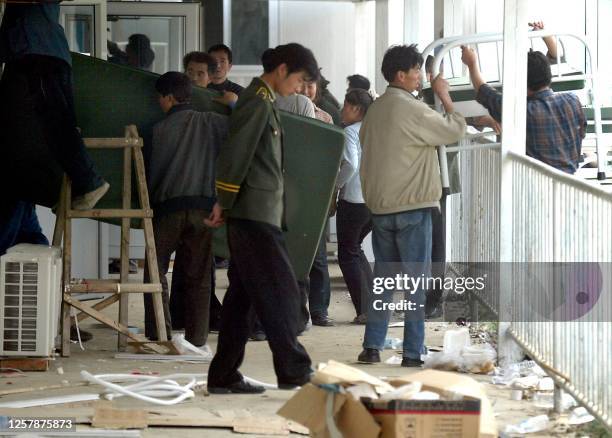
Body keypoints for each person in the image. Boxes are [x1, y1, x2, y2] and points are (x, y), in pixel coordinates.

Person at [205, 43, 319, 394]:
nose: (299, 88)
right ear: (282, 70)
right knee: (280, 292)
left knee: (243, 298)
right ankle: (294, 370)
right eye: (300, 80)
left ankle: (223, 374)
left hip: (259, 212)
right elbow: (236, 153)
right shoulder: (256, 101)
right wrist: (224, 200)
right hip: (254, 214)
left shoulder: (263, 100)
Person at [358, 44, 466, 367]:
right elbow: (453, 130)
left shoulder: (375, 110)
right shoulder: (414, 110)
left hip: (380, 209)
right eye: (417, 71)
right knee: (414, 285)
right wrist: (446, 97)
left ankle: (372, 347)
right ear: (400, 75)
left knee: (385, 281)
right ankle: (411, 352)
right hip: (414, 209)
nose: (420, 77)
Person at [143, 72, 228, 349]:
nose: (159, 103)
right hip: (203, 210)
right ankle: (197, 338)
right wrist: (234, 103)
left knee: (155, 275)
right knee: (199, 277)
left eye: (160, 98)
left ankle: (159, 334)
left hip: (168, 210)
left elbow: (151, 176)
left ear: (169, 98)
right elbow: (244, 130)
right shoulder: (213, 122)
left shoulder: (159, 130)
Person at [0, 1, 109, 210]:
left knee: (56, 123)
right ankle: (81, 185)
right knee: (56, 125)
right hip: (43, 53)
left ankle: (89, 182)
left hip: (38, 55)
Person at [461, 46, 586, 174]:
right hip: (571, 182)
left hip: (537, 184)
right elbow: (581, 133)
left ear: (520, 81)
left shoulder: (523, 111)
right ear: (548, 74)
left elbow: (484, 92)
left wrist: (472, 64)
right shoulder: (572, 100)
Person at [336, 88, 374, 325]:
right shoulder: (374, 130)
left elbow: (350, 163)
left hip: (354, 200)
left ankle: (366, 310)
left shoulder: (350, 131)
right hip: (373, 200)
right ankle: (374, 305)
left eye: (345, 106)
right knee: (356, 249)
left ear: (356, 109)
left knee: (347, 254)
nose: (342, 110)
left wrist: (335, 186)